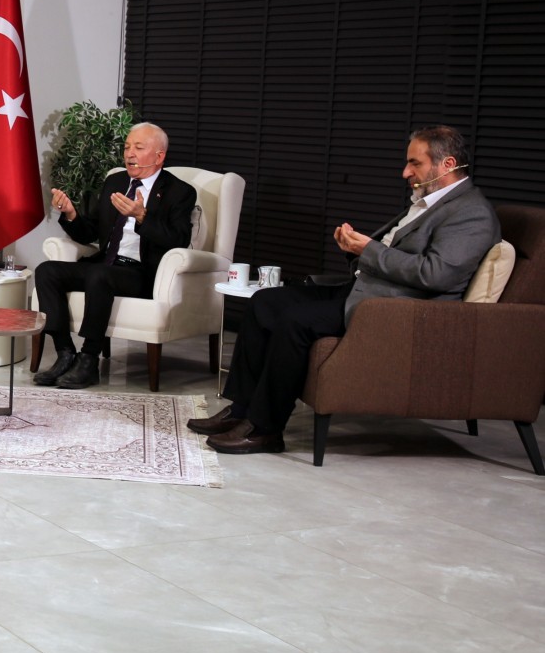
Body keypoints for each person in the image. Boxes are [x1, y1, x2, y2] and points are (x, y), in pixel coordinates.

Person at [193, 125, 500, 454]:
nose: (405, 172)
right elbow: (396, 255)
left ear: (448, 164)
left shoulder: (471, 213)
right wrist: (356, 250)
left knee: (295, 320)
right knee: (265, 301)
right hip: (367, 291)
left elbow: (435, 274)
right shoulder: (431, 202)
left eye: (415, 163)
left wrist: (368, 249)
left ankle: (265, 429)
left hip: (397, 310)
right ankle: (241, 410)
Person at [33, 122, 196, 389]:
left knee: (100, 275)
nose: (129, 153)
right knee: (47, 271)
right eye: (127, 147)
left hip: (140, 273)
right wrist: (71, 214)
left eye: (138, 148)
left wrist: (142, 216)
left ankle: (89, 359)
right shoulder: (115, 182)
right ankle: (65, 353)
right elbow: (90, 232)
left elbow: (178, 240)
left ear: (159, 156)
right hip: (106, 265)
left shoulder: (179, 192)